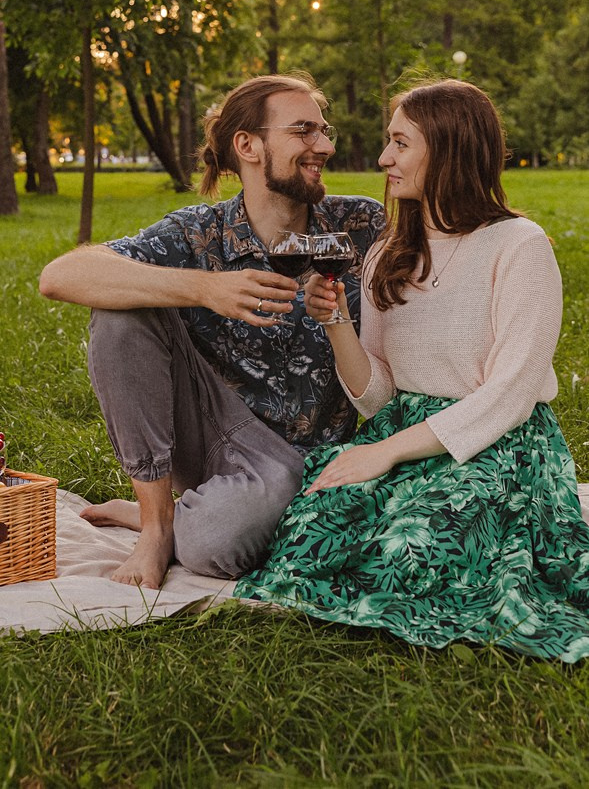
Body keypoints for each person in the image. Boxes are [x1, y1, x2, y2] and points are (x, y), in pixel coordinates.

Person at [236, 78, 589, 662]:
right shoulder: (389, 252)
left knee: (416, 545)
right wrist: (337, 324)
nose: (383, 160)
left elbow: (512, 394)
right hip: (402, 427)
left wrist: (388, 451)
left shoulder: (519, 245)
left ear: (448, 148)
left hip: (496, 444)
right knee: (313, 530)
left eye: (400, 143)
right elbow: (378, 395)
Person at [39, 73, 384, 590]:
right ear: (248, 145)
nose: (326, 146)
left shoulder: (359, 223)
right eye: (304, 131)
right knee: (120, 310)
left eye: (324, 130)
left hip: (294, 458)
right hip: (206, 424)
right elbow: (59, 276)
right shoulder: (199, 232)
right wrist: (205, 289)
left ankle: (185, 521)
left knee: (212, 546)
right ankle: (156, 526)